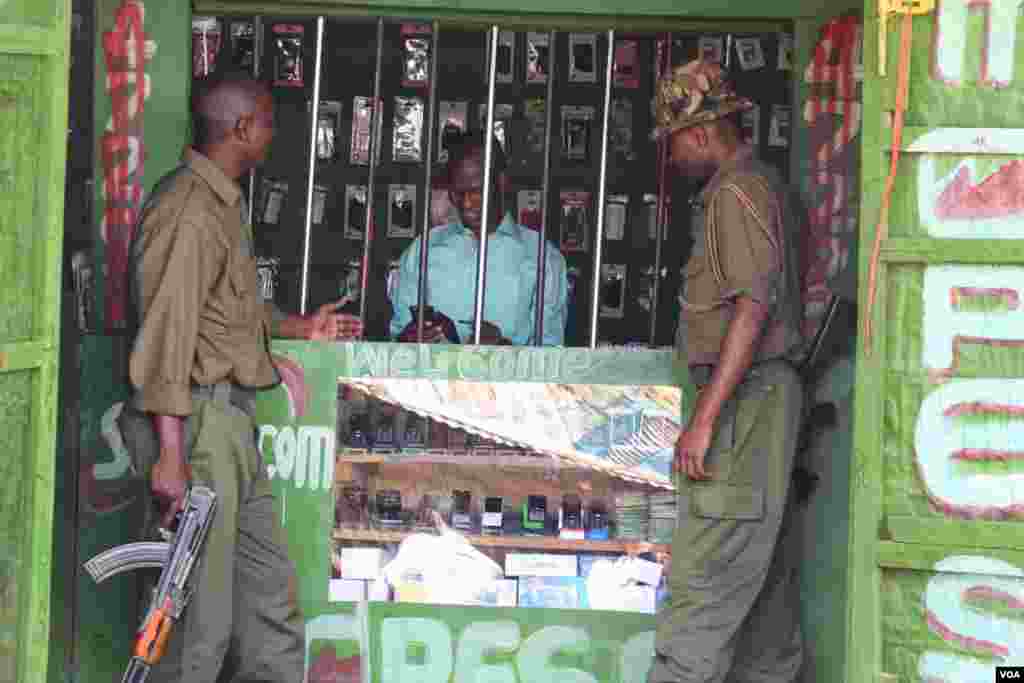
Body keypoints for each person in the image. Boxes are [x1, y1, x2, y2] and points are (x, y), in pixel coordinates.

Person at [119, 72, 362, 682]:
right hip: (200, 432)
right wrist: (171, 455)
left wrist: (301, 326)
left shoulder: (221, 205)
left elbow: (227, 311)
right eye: (269, 123)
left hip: (231, 428)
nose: (273, 136)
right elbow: (167, 335)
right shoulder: (188, 212)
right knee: (201, 625)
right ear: (242, 128)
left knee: (269, 611)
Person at [647, 60, 806, 683]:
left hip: (745, 406)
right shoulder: (761, 187)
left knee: (701, 595)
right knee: (766, 618)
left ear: (699, 133)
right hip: (763, 404)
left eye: (673, 144)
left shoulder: (735, 196)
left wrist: (704, 423)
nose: (673, 159)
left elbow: (752, 308)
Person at [389, 131, 568, 345]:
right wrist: (408, 339)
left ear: (501, 183)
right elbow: (397, 338)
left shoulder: (542, 258)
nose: (465, 205)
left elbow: (551, 353)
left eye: (475, 192)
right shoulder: (423, 250)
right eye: (457, 193)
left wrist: (503, 349)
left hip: (503, 379)